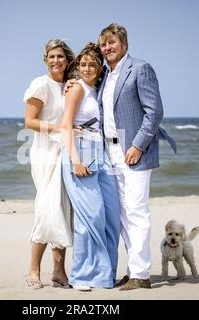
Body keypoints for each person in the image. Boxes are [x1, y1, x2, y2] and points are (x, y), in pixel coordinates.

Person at [97, 23, 177, 290]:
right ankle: (134, 270)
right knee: (122, 214)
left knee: (136, 211)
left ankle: (142, 275)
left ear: (124, 44)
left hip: (134, 152)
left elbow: (154, 112)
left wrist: (138, 145)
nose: (107, 48)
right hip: (111, 152)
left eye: (112, 43)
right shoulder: (105, 75)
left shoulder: (140, 69)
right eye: (104, 44)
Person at [61, 43, 121, 291]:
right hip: (80, 153)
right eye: (82, 64)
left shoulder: (99, 89)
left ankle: (105, 275)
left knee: (111, 217)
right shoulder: (75, 89)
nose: (86, 68)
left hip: (102, 154)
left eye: (92, 64)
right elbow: (66, 126)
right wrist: (75, 159)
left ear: (99, 68)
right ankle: (82, 276)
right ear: (77, 66)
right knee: (89, 218)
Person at [23, 39, 75, 289]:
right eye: (51, 56)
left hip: (65, 151)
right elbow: (29, 122)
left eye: (60, 56)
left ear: (67, 59)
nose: (56, 61)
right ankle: (33, 269)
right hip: (45, 153)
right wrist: (59, 128)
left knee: (63, 209)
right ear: (46, 59)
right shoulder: (40, 84)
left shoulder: (69, 85)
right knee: (47, 208)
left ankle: (58, 272)